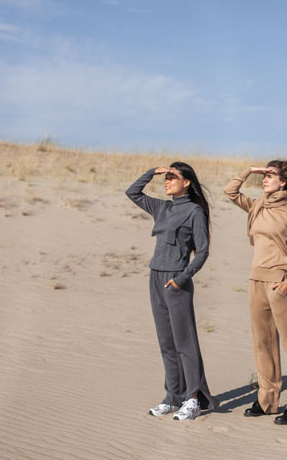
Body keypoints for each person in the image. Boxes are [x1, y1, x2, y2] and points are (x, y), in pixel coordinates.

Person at [224, 160, 287, 425]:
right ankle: (267, 399)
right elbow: (230, 192)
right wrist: (249, 172)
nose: (265, 179)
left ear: (284, 182)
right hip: (255, 280)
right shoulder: (257, 206)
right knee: (262, 343)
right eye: (264, 175)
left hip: (279, 283)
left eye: (270, 176)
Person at [126, 162, 218, 421]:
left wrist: (182, 278)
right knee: (166, 341)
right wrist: (151, 172)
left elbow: (203, 252)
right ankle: (172, 397)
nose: (166, 182)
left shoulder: (194, 213)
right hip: (155, 277)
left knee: (184, 343)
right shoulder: (162, 207)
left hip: (176, 281)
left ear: (186, 182)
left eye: (172, 177)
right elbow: (132, 193)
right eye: (165, 178)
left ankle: (193, 398)